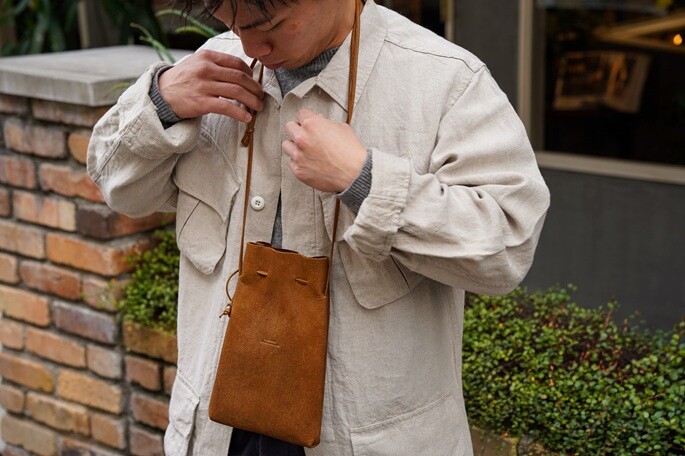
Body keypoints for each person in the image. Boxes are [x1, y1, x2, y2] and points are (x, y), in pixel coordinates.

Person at [87, 0, 550, 454]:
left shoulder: (444, 81)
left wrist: (364, 180)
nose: (251, 46)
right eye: (231, 22)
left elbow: (508, 247)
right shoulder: (217, 67)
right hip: (218, 428)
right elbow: (122, 189)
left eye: (269, 24)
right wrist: (160, 103)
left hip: (365, 440)